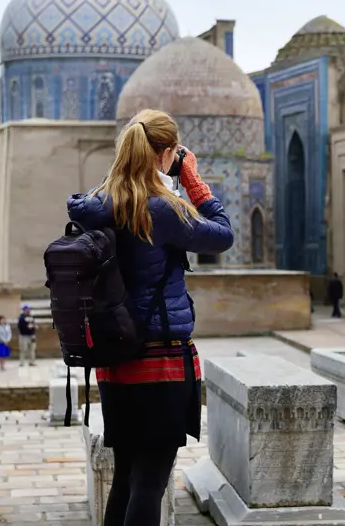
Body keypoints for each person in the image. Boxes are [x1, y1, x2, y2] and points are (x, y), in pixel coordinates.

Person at [67, 109, 234, 526]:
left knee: (125, 476)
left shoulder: (98, 204)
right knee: (149, 481)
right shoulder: (161, 210)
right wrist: (191, 178)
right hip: (160, 362)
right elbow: (222, 233)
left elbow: (108, 195)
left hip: (113, 363)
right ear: (165, 154)